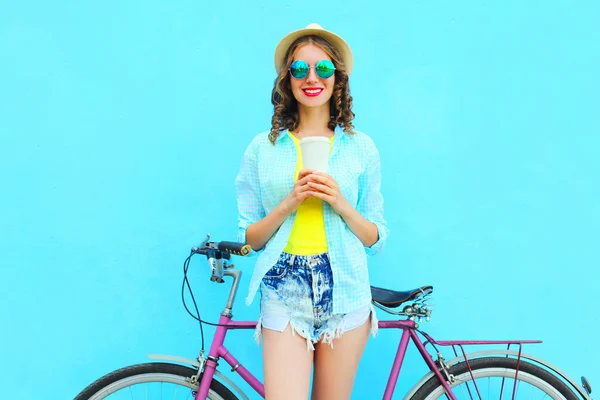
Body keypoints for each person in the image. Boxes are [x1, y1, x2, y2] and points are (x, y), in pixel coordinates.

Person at [235, 23, 389, 400]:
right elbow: (250, 238)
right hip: (283, 284)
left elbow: (376, 237)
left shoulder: (360, 147)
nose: (311, 78)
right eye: (300, 70)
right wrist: (290, 201)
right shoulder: (263, 148)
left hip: (346, 286)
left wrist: (340, 203)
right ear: (287, 80)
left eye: (322, 69)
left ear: (338, 78)